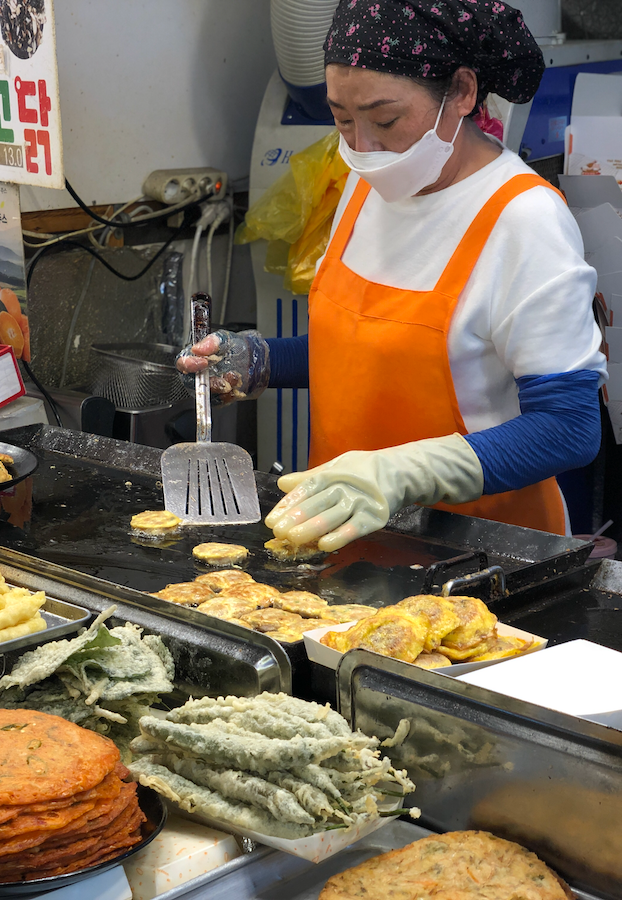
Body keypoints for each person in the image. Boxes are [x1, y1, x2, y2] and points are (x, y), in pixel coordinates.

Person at [178, 0, 605, 551]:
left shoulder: (523, 219)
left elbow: (568, 427)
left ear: (462, 92)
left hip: (482, 554)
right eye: (341, 118)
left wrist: (401, 472)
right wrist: (260, 361)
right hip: (347, 537)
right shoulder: (367, 182)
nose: (362, 148)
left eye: (385, 120)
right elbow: (374, 351)